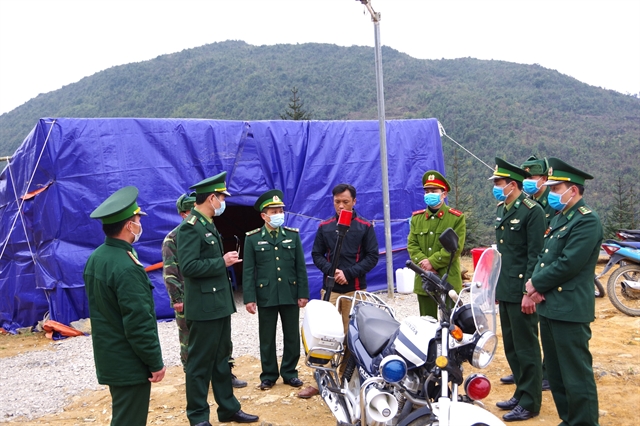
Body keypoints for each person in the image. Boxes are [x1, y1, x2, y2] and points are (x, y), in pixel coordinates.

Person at [176, 172, 258, 425]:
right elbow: (188, 267)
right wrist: (220, 262)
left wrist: (222, 263)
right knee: (200, 364)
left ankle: (228, 408)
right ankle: (198, 416)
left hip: (219, 305)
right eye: (221, 197)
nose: (223, 202)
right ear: (211, 198)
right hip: (203, 308)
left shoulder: (208, 223)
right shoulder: (189, 227)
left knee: (222, 360)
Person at [525, 158, 602, 426]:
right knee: (557, 374)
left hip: (569, 309)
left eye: (558, 189)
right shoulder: (560, 218)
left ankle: (584, 422)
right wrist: (535, 285)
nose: (554, 193)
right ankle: (569, 419)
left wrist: (535, 284)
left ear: (574, 190)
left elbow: (568, 263)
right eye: (554, 188)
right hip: (550, 306)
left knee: (576, 374)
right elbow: (544, 256)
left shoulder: (586, 221)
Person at [83, 186, 166, 426]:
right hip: (129, 362)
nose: (141, 223)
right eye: (138, 218)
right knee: (129, 420)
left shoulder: (98, 257)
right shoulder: (126, 266)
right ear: (130, 225)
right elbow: (139, 322)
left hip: (111, 357)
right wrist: (154, 362)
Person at [162, 192, 247, 387]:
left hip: (209, 295)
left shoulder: (208, 229)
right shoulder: (174, 237)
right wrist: (177, 298)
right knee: (189, 339)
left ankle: (225, 372)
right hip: (189, 296)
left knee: (220, 338)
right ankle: (193, 375)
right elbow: (171, 272)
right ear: (184, 213)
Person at [489, 158, 546, 422]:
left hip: (522, 288)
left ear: (512, 185)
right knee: (512, 346)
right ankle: (521, 392)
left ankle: (531, 401)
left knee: (527, 348)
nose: (496, 188)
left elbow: (535, 254)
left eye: (499, 184)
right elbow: (504, 254)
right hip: (506, 286)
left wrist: (530, 291)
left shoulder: (531, 211)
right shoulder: (503, 208)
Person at [242, 189, 309, 391]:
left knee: (291, 335)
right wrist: (249, 298)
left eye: (280, 209)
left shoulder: (292, 236)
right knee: (267, 337)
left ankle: (290, 373)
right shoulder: (252, 239)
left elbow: (300, 266)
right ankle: (269, 375)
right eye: (274, 211)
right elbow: (248, 270)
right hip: (266, 294)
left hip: (289, 292)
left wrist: (303, 293)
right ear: (264, 215)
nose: (278, 213)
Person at [310, 184, 379, 374]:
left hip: (354, 289)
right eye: (337, 202)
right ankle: (323, 373)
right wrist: (332, 271)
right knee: (325, 333)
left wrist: (347, 273)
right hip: (330, 290)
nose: (341, 206)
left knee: (352, 334)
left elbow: (372, 257)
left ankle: (345, 375)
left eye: (345, 202)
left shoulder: (364, 226)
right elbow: (317, 254)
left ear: (354, 202)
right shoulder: (325, 227)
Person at [500, 156, 554, 390]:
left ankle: (544, 375)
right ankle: (524, 377)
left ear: (544, 179)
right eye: (527, 177)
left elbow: (538, 251)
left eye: (532, 177)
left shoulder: (546, 207)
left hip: (543, 277)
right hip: (515, 283)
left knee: (537, 335)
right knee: (517, 339)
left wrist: (531, 288)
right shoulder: (517, 206)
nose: (529, 181)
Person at [407, 170, 465, 318]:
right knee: (427, 324)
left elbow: (455, 248)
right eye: (427, 191)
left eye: (434, 191)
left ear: (444, 194)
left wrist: (432, 262)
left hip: (448, 280)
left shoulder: (456, 218)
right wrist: (423, 264)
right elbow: (412, 245)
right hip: (424, 279)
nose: (429, 194)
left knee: (452, 324)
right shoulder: (417, 218)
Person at [521, 155, 555, 227]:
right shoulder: (525, 203)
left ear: (544, 179)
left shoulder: (554, 203)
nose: (526, 181)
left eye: (530, 178)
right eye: (525, 178)